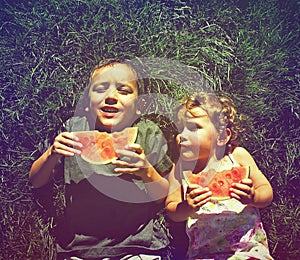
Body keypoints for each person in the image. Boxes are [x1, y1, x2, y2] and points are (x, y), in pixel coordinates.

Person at [29, 58, 174, 259]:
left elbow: (163, 196)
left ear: (139, 105)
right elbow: (36, 181)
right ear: (88, 102)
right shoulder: (73, 130)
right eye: (100, 89)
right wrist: (51, 153)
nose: (111, 96)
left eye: (123, 90)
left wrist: (146, 171)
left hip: (139, 245)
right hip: (80, 248)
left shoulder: (149, 134)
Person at [166, 92, 273, 259]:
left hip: (247, 250)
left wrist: (254, 197)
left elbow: (266, 192)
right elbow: (172, 210)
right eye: (180, 129)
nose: (182, 136)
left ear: (222, 136)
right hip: (203, 254)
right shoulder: (181, 169)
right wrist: (187, 206)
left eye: (194, 128)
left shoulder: (237, 156)